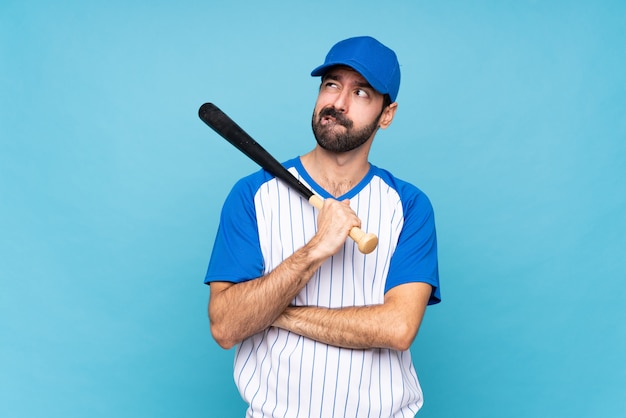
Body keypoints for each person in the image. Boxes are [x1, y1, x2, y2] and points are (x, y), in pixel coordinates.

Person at [205, 36, 441, 417]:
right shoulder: (253, 195)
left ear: (387, 114)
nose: (339, 103)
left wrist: (275, 312)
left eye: (361, 92)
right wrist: (316, 248)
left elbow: (397, 328)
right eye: (331, 84)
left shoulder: (409, 205)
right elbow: (226, 327)